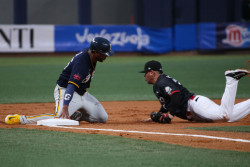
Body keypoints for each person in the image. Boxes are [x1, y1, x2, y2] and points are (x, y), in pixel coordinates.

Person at [5, 37, 114, 125]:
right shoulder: (82, 63)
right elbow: (71, 86)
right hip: (66, 90)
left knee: (102, 118)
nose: (106, 56)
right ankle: (21, 119)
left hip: (81, 93)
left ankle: (76, 115)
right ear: (95, 52)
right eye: (104, 53)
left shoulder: (91, 55)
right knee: (59, 117)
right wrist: (65, 107)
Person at [139, 60, 250, 123]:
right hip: (195, 108)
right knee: (229, 117)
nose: (144, 76)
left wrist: (171, 115)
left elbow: (176, 95)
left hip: (194, 104)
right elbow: (167, 103)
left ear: (152, 73)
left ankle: (231, 79)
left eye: (145, 73)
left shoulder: (161, 82)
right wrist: (159, 114)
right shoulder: (159, 84)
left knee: (224, 114)